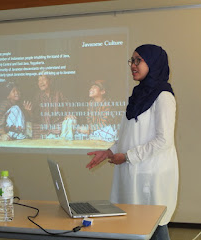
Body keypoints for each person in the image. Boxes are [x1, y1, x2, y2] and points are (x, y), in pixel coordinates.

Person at [86, 44, 178, 240]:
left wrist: (128, 157)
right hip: (131, 171)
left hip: (151, 174)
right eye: (132, 60)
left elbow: (164, 140)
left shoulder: (164, 96)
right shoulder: (136, 96)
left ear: (153, 63)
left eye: (139, 60)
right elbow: (127, 135)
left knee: (154, 226)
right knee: (133, 226)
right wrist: (109, 152)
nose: (133, 65)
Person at [31, 74, 72, 139]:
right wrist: (29, 111)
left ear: (50, 81)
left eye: (43, 79)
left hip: (57, 127)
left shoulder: (58, 94)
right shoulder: (37, 96)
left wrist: (68, 114)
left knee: (70, 120)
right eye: (39, 80)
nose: (41, 82)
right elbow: (35, 117)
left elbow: (67, 107)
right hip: (42, 130)